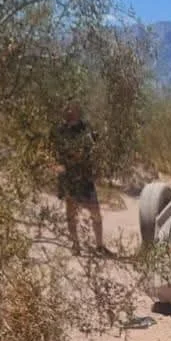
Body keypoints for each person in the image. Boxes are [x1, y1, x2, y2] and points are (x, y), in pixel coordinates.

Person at [53, 102, 112, 256]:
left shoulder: (86, 128)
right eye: (67, 108)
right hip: (68, 177)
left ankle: (99, 246)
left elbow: (96, 147)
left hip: (85, 177)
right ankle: (75, 245)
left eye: (72, 107)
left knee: (95, 212)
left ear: (78, 109)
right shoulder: (60, 130)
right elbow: (56, 153)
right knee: (70, 212)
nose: (70, 110)